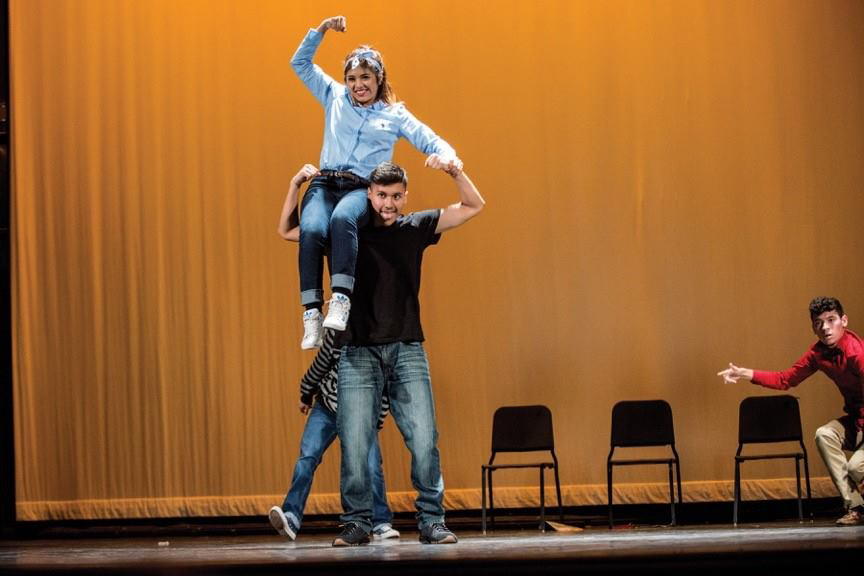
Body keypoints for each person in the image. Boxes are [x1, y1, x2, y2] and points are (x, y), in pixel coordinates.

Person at [332, 160, 485, 547]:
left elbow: (473, 205)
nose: (388, 203)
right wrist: (296, 187)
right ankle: (357, 523)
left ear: (405, 196)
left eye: (396, 196)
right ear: (368, 193)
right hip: (357, 352)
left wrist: (455, 172)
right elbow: (292, 232)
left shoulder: (414, 227)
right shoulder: (348, 230)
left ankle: (432, 520)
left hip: (406, 349)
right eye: (381, 195)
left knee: (423, 439)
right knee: (355, 442)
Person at [291, 15, 462, 349]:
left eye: (365, 77)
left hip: (358, 187)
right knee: (311, 229)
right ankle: (311, 312)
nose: (358, 85)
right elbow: (300, 63)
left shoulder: (394, 114)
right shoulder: (334, 97)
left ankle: (340, 299)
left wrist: (449, 158)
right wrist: (322, 30)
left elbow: (432, 140)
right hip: (325, 184)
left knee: (342, 221)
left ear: (378, 78)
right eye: (352, 78)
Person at [272, 167, 399, 542]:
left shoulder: (377, 236)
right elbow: (288, 231)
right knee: (307, 457)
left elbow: (385, 379)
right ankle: (292, 515)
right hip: (329, 404)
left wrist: (377, 415)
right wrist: (295, 185)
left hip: (361, 401)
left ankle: (380, 520)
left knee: (370, 465)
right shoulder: (334, 236)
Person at [718, 296, 864, 526]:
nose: (825, 327)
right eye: (818, 323)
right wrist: (746, 373)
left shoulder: (856, 354)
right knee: (824, 434)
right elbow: (786, 379)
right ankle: (855, 506)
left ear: (843, 321)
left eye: (831, 320)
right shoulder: (818, 354)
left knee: (856, 467)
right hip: (857, 422)